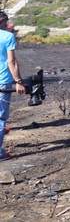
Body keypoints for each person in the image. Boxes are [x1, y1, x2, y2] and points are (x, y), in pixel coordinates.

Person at [0, 10, 24, 161]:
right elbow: (12, 62)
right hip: (3, 80)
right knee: (0, 118)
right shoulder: (8, 36)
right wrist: (18, 82)